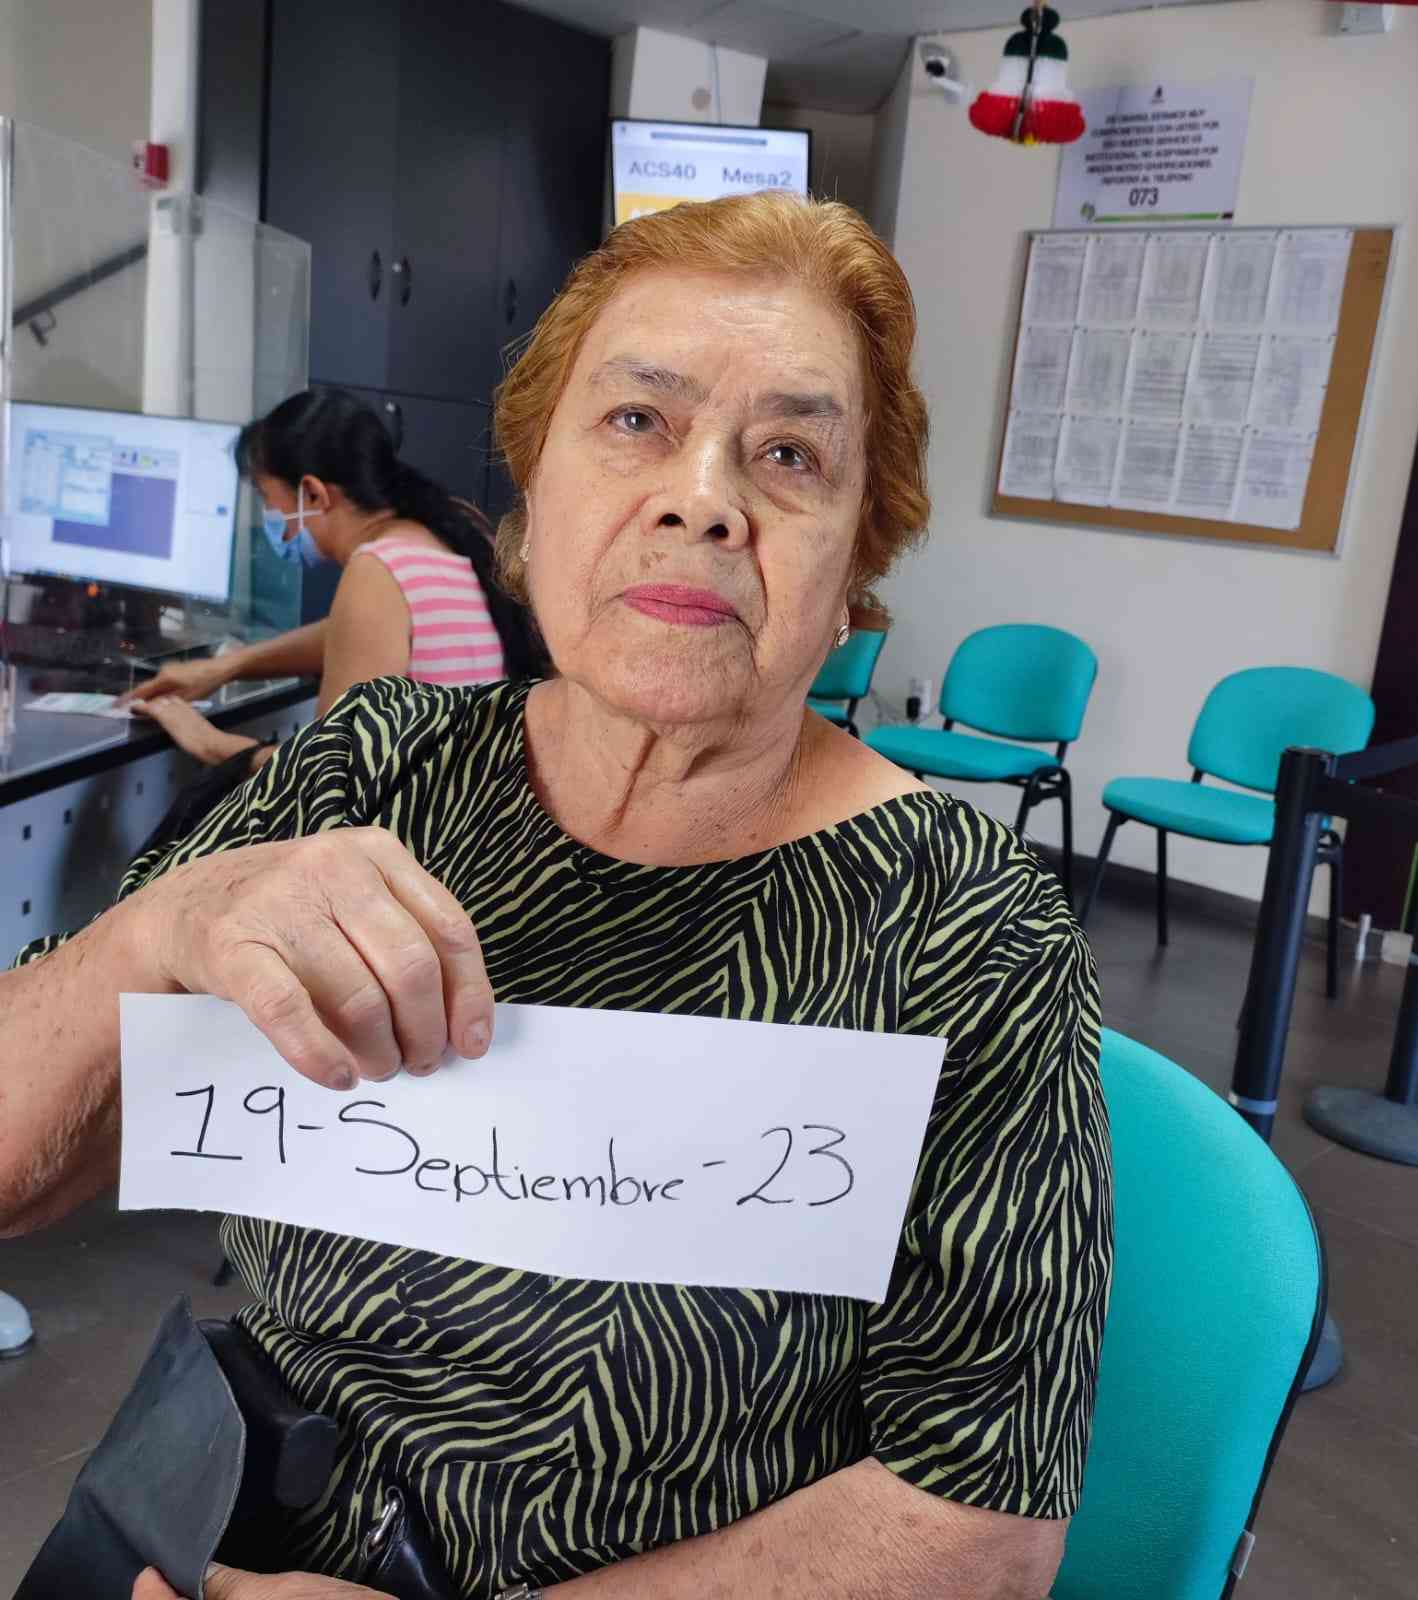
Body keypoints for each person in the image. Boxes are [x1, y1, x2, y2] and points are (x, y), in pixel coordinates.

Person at [1, 192, 1112, 1600]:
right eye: (637, 420)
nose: (702, 497)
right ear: (534, 498)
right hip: (223, 1532)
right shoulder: (374, 767)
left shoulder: (971, 930)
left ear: (853, 570)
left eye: (788, 455)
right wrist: (158, 928)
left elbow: (981, 1530)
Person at [120, 388, 539, 769]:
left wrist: (210, 743)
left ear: (313, 494)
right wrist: (224, 668)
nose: (269, 516)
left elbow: (331, 776)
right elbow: (357, 632)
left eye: (268, 498)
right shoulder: (455, 530)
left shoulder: (378, 571)